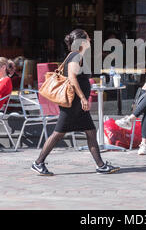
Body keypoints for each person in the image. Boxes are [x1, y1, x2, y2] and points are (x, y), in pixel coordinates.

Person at [31, 29, 120, 176]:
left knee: (91, 132)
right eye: (87, 37)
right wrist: (84, 98)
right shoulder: (76, 56)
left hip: (78, 105)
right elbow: (72, 78)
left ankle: (101, 165)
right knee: (58, 133)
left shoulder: (78, 56)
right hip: (73, 103)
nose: (90, 39)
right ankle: (38, 162)